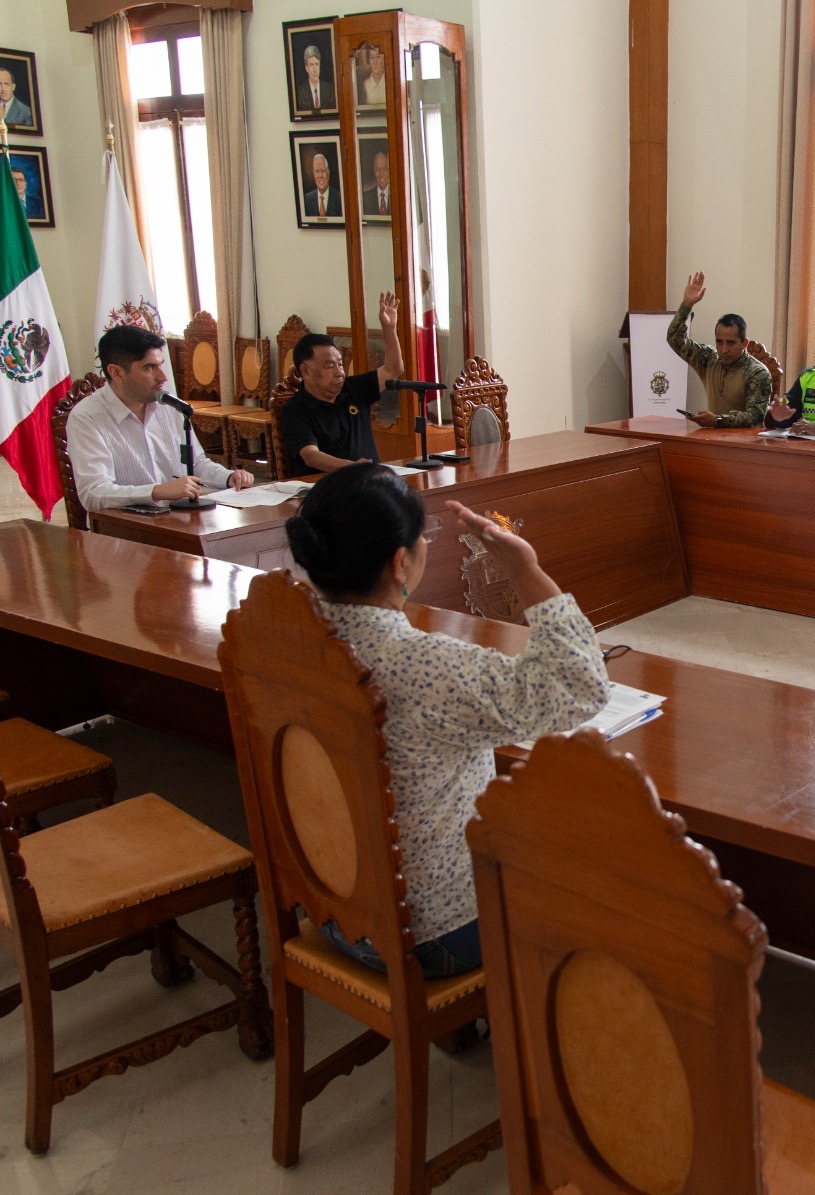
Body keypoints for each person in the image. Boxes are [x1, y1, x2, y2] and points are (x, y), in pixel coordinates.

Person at [286, 465, 609, 976]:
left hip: (330, 906)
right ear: (400, 562)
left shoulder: (289, 639)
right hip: (434, 932)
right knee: (596, 858)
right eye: (423, 537)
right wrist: (524, 568)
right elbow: (582, 686)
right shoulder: (422, 665)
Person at [67, 324, 253, 510]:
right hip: (123, 523)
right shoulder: (87, 417)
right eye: (149, 367)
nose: (163, 377)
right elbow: (93, 493)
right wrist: (157, 491)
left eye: (160, 365)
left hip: (177, 517)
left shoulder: (170, 406)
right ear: (117, 373)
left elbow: (196, 464)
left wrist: (228, 477)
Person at [280, 291, 403, 473]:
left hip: (371, 480)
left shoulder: (353, 388)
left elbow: (393, 369)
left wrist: (390, 329)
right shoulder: (296, 409)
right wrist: (353, 468)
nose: (339, 372)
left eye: (340, 364)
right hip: (328, 485)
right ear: (305, 371)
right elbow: (311, 456)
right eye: (329, 366)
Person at [666, 272, 773, 428]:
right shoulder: (709, 359)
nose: (724, 349)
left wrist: (718, 420)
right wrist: (686, 306)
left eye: (731, 343)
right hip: (711, 436)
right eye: (719, 342)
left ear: (744, 343)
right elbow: (674, 339)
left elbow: (755, 416)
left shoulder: (757, 372)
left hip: (745, 441)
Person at [305, 152, 340, 219]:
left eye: (323, 171)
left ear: (328, 173)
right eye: (317, 171)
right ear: (313, 174)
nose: (320, 175)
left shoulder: (339, 198)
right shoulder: (306, 200)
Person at [300, 43, 332, 111]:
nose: (315, 70)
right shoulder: (301, 93)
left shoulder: (329, 90)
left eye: (317, 64)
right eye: (311, 65)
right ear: (306, 68)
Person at [363, 151, 392, 216]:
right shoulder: (366, 198)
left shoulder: (397, 195)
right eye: (378, 169)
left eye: (384, 169)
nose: (381, 174)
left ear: (389, 170)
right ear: (374, 171)